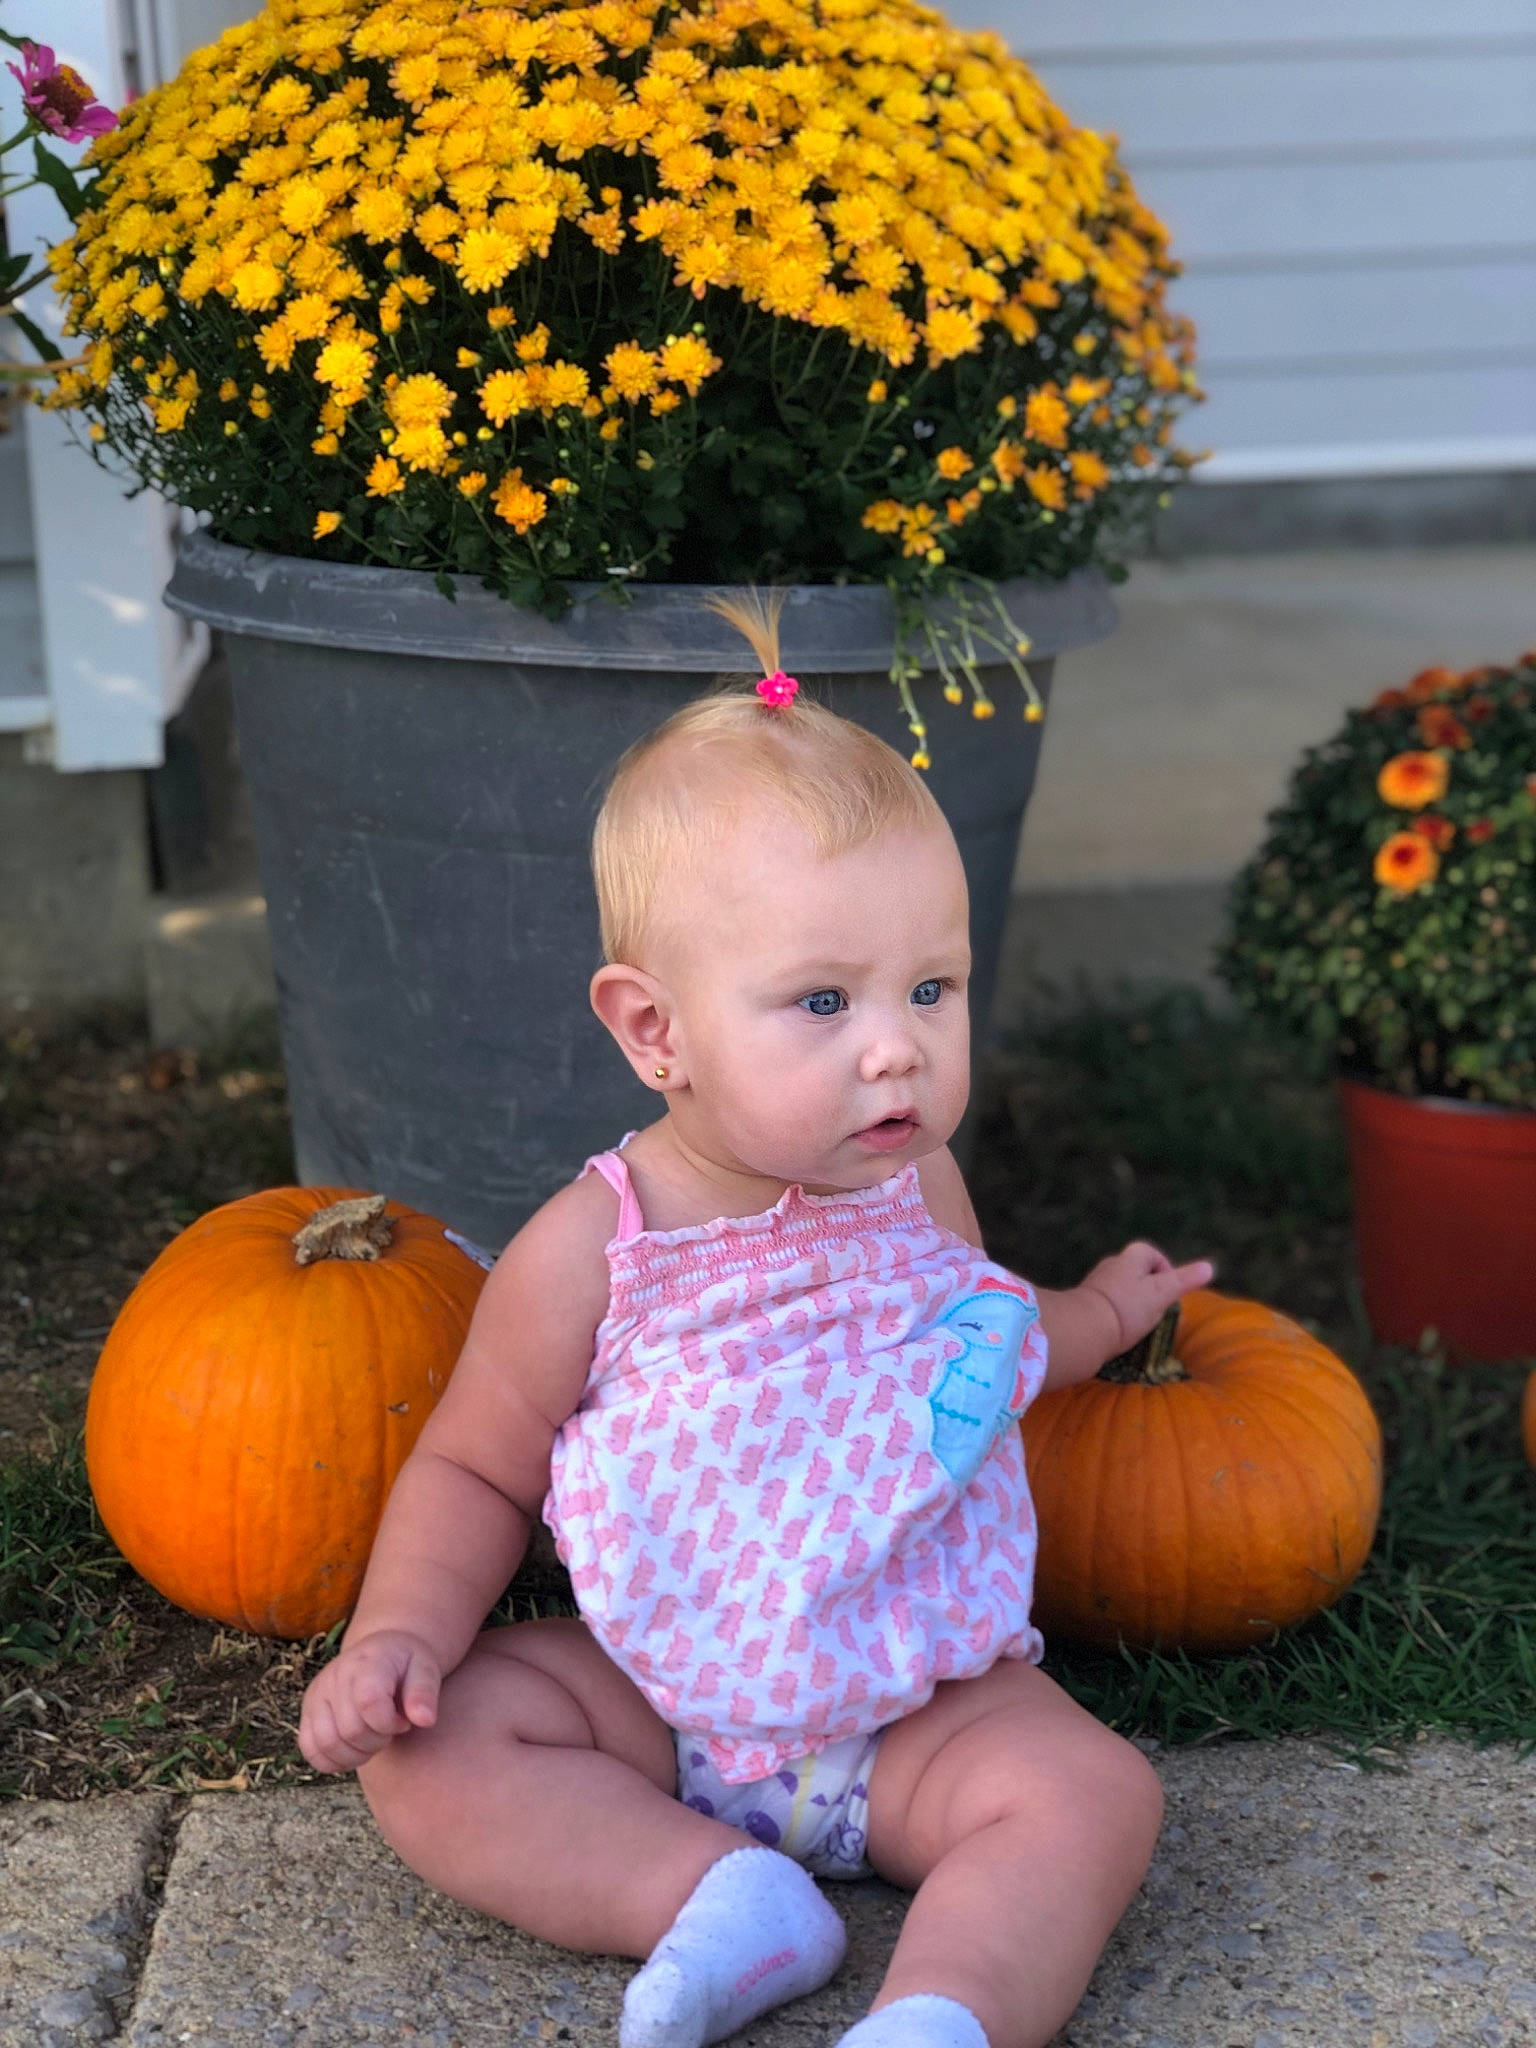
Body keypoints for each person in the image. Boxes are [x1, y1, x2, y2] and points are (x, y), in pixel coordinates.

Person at [298, 592, 1214, 2048]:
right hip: (660, 1709)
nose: (896, 1046)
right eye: (823, 1001)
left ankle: (944, 2015)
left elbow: (985, 1341)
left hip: (920, 1710)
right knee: (436, 1749)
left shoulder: (919, 1188)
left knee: (1095, 1794)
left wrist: (1103, 1309)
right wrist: (399, 1632)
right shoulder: (593, 1250)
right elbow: (474, 1466)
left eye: (931, 987)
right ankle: (716, 1900)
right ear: (656, 1030)